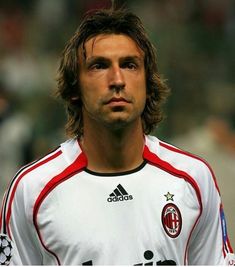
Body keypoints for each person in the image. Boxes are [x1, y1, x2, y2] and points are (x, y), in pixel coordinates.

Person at [0, 7, 234, 266]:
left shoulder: (193, 178)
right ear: (75, 86)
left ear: (147, 82)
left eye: (129, 65)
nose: (117, 79)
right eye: (99, 66)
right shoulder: (31, 189)